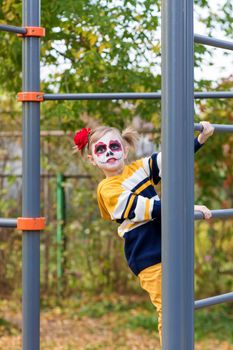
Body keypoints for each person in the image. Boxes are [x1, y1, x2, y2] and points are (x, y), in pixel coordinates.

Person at [73, 121, 214, 345]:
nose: (108, 152)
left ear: (125, 149)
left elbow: (172, 160)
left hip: (168, 243)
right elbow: (146, 209)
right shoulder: (108, 189)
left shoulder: (138, 168)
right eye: (100, 149)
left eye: (114, 146)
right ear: (91, 158)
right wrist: (187, 207)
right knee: (168, 308)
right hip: (146, 253)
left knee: (182, 303)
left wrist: (199, 140)